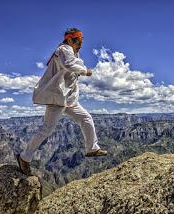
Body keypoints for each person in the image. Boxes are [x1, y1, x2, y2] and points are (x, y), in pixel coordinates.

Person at [16, 28, 107, 176]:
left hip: (68, 99)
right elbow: (69, 65)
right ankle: (24, 157)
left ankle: (92, 148)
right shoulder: (63, 49)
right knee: (47, 130)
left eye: (81, 42)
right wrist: (86, 71)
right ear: (70, 40)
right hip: (57, 98)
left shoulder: (73, 52)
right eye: (79, 42)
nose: (81, 45)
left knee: (86, 118)